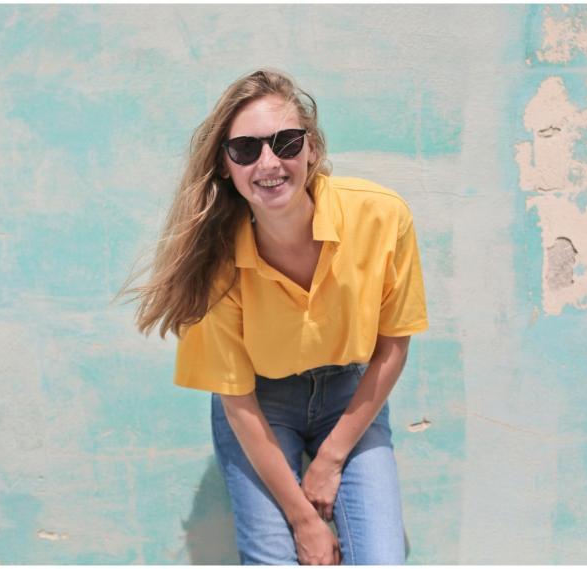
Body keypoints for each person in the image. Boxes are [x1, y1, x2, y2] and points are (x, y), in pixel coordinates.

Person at [122, 69, 428, 565]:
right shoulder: (214, 260)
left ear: (311, 148)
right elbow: (236, 399)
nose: (269, 162)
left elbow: (394, 344)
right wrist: (306, 520)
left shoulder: (382, 216)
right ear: (225, 165)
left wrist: (330, 460)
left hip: (352, 394)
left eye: (286, 142)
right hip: (261, 406)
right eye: (245, 149)